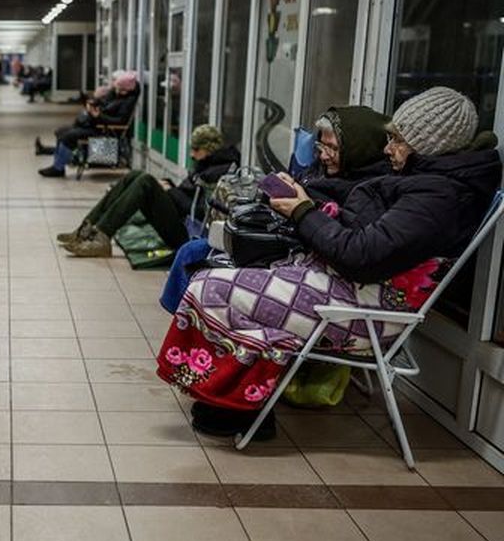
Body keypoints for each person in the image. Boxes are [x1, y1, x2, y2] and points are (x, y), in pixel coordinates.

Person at [156, 87, 500, 437]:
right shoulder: (430, 184)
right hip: (350, 288)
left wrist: (304, 210)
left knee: (210, 287)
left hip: (365, 309)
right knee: (219, 274)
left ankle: (239, 406)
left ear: (428, 143)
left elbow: (360, 256)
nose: (387, 148)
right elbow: (367, 236)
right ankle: (235, 402)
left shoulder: (436, 197)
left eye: (396, 139)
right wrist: (313, 207)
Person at [58, 125, 240, 257]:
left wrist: (170, 191)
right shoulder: (207, 163)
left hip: (187, 233)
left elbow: (200, 211)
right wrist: (170, 186)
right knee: (135, 175)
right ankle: (87, 228)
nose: (192, 154)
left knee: (146, 182)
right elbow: (188, 192)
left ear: (209, 148)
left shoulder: (218, 172)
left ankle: (102, 237)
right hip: (181, 217)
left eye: (196, 149)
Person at [38, 70, 140, 177]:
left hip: (104, 130)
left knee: (68, 136)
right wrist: (93, 103)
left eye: (120, 89)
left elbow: (119, 122)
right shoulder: (116, 95)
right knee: (61, 132)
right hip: (95, 125)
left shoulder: (126, 103)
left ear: (127, 90)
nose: (117, 90)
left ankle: (58, 168)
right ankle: (58, 165)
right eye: (117, 88)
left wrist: (98, 116)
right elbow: (104, 102)